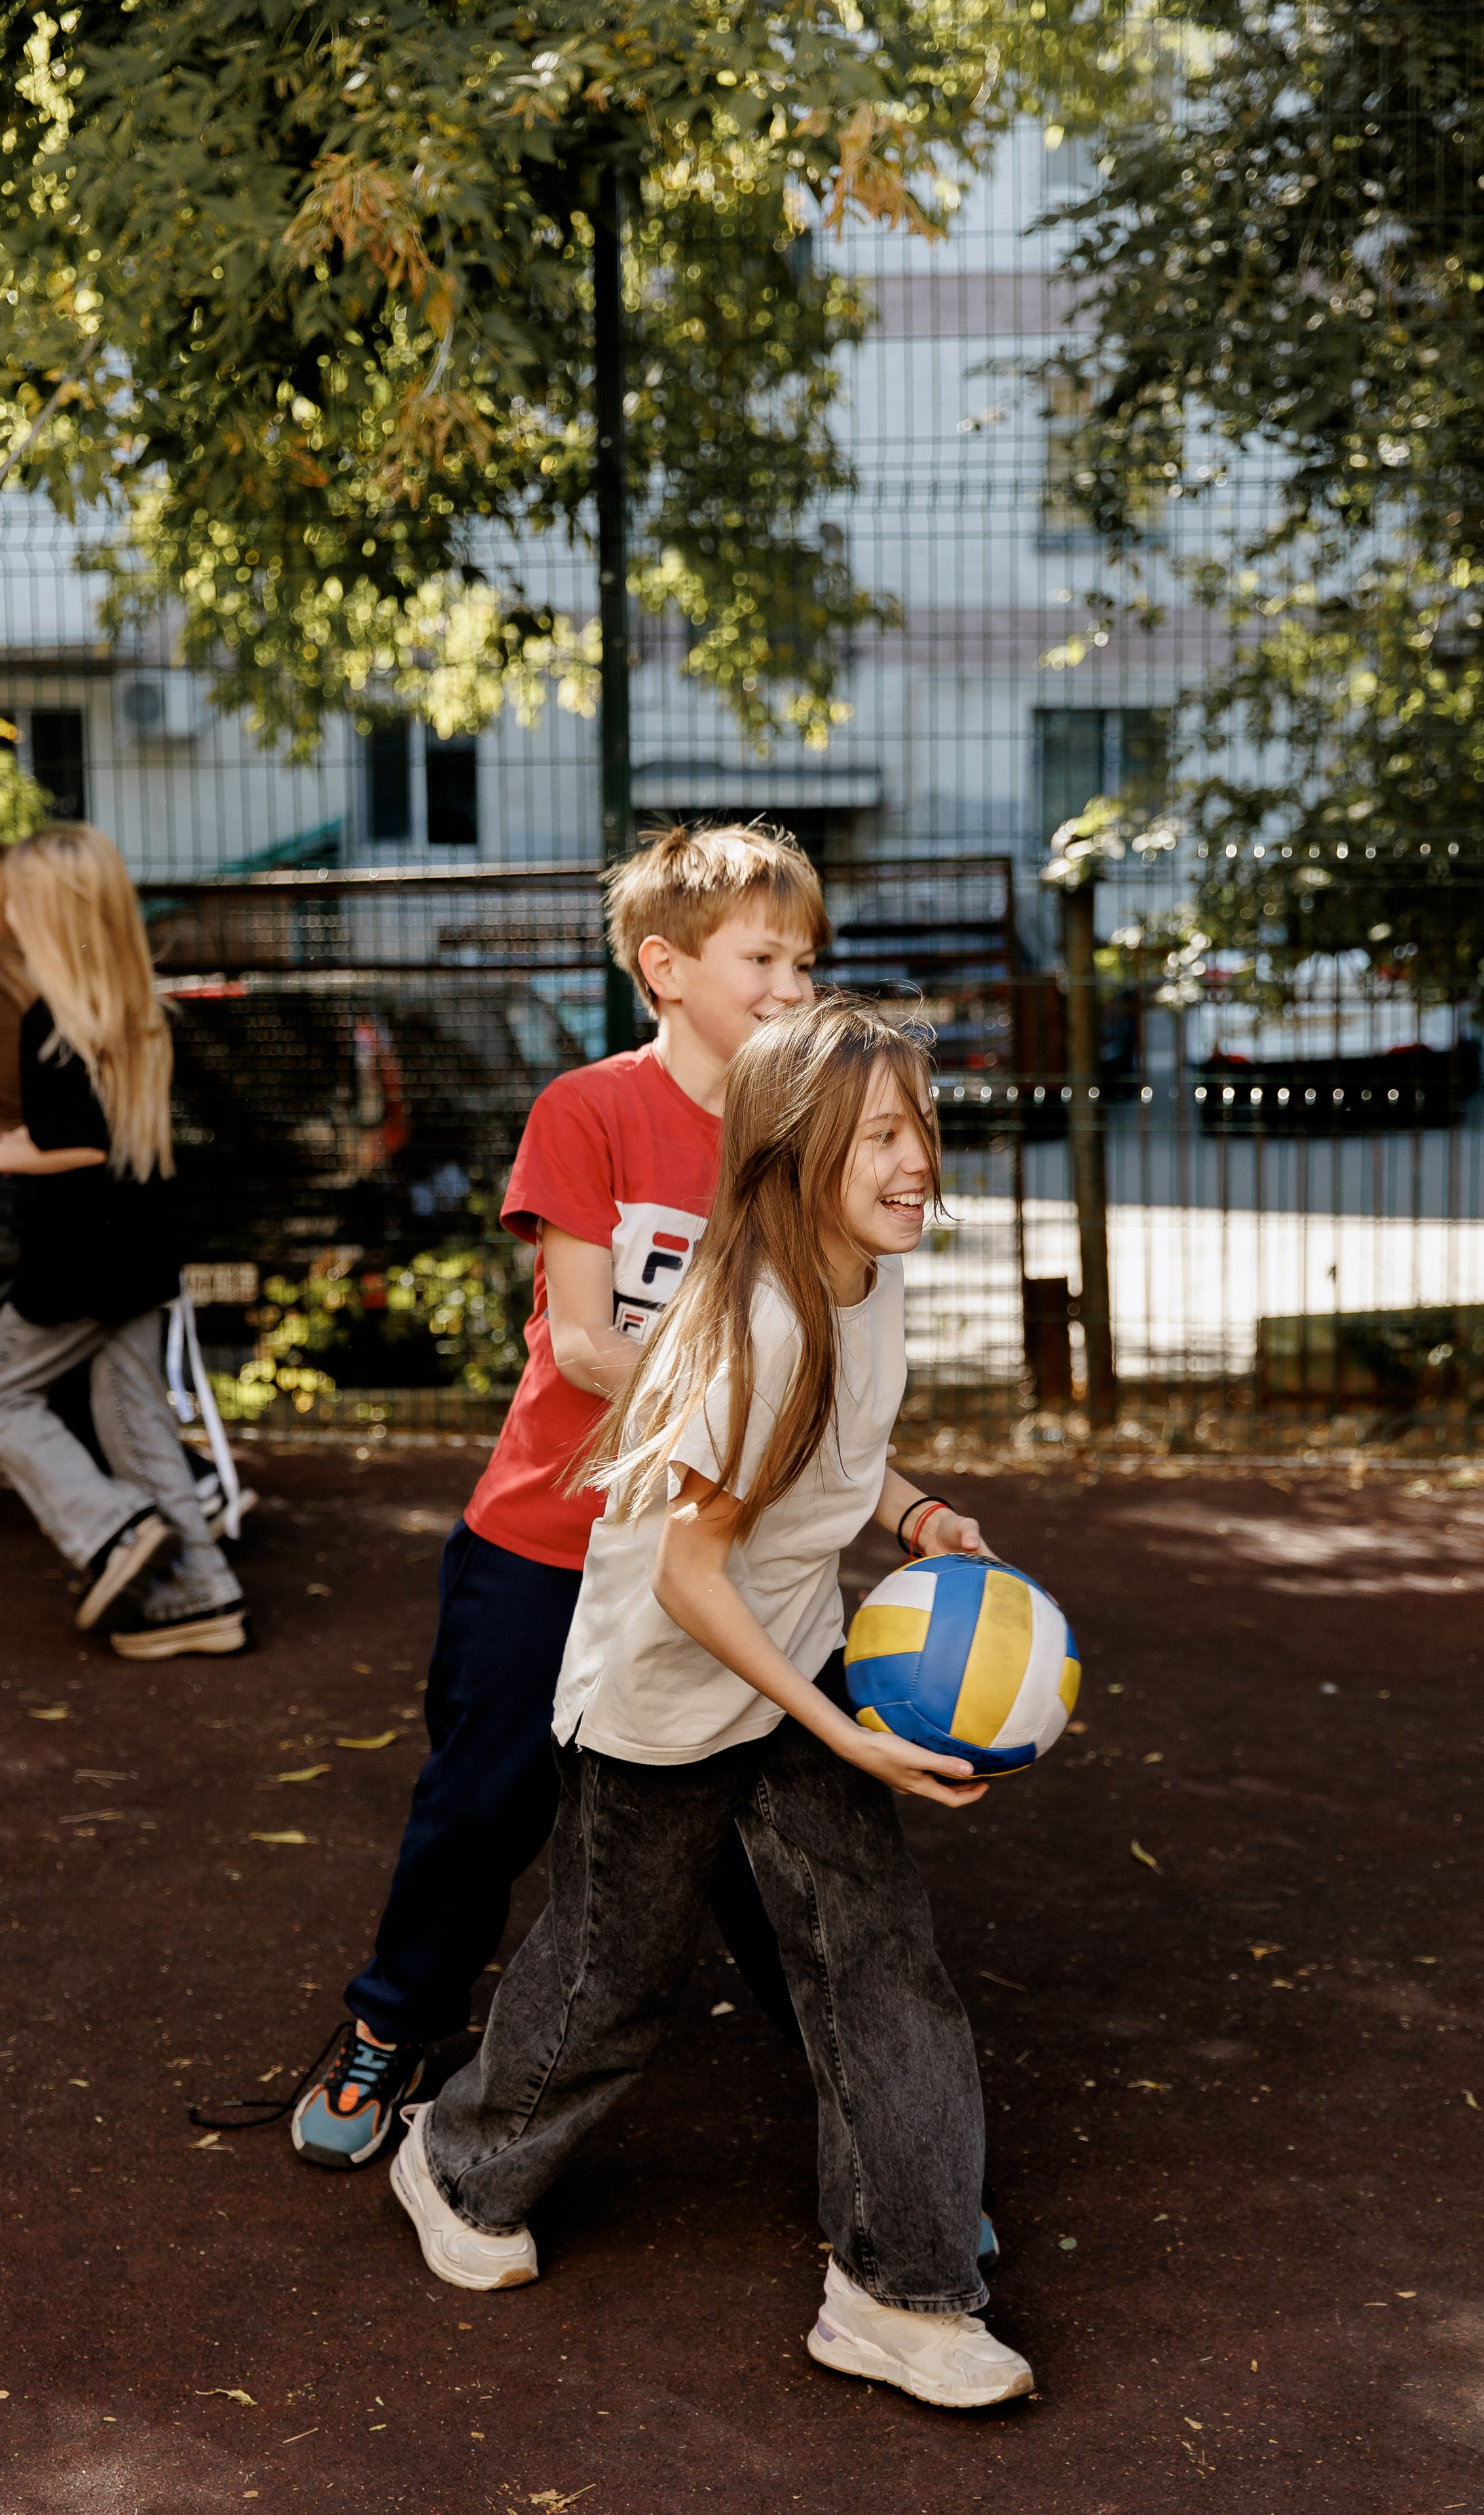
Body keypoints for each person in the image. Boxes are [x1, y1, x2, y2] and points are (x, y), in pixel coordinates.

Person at [388, 997, 1033, 2412]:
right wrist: (839, 1728)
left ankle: (899, 2294)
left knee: (878, 1965)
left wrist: (915, 1509)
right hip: (667, 1696)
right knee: (617, 1978)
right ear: (797, 1155)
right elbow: (688, 1576)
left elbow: (840, 1455)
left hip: (787, 1654)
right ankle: (454, 2162)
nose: (916, 1157)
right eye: (879, 1135)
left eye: (921, 1125)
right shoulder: (754, 1330)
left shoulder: (866, 1276)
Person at [292, 823, 828, 2168]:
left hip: (712, 1543)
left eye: (807, 960)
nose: (792, 984)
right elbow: (585, 1341)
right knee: (483, 1803)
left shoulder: (806, 1136)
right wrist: (739, 1397)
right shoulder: (588, 1111)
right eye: (762, 955)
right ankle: (391, 2025)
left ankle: (873, 2098)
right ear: (664, 966)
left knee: (760, 1847)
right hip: (545, 1538)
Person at [0, 824, 245, 1658]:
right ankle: (203, 1593)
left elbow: (77, 1142)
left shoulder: (50, 1022)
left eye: (15, 899)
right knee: (135, 1421)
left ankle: (111, 1530)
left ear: (48, 914)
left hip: (75, 1266)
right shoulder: (133, 1014)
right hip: (137, 1258)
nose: (4, 911)